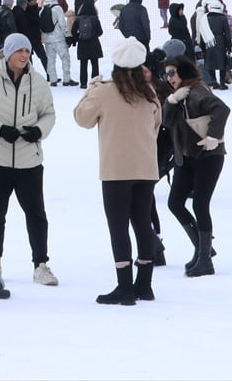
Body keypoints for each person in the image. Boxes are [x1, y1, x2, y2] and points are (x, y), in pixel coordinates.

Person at [0, 33, 59, 286]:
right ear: (8, 53)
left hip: (29, 161)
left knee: (36, 214)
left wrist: (38, 131)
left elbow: (48, 114)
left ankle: (41, 265)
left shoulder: (37, 82)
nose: (24, 56)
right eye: (19, 51)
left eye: (27, 51)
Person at [73, 38, 161, 305]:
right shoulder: (149, 92)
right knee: (143, 224)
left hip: (115, 170)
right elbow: (157, 124)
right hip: (146, 167)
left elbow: (82, 119)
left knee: (119, 227)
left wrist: (90, 90)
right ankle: (144, 285)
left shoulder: (105, 91)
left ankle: (124, 288)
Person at [161, 55, 229, 277]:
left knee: (200, 205)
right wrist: (171, 101)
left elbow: (222, 109)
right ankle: (202, 247)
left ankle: (205, 259)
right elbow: (166, 121)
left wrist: (213, 135)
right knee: (175, 203)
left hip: (208, 156)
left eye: (172, 72)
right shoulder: (178, 95)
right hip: (187, 158)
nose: (169, 78)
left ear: (184, 72)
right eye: (167, 73)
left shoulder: (197, 91)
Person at [72, 0, 104, 88]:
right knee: (94, 64)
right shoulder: (95, 18)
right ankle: (94, 83)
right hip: (94, 43)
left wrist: (78, 38)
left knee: (83, 64)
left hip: (82, 44)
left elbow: (73, 31)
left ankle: (83, 83)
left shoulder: (78, 19)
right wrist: (94, 35)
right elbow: (100, 32)